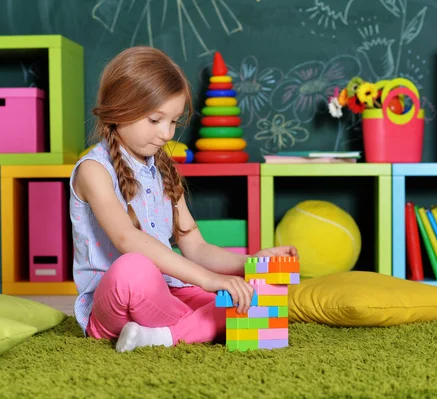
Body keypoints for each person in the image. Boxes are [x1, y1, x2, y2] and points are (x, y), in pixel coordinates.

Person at [69, 46, 297, 353]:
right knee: (133, 267)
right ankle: (189, 329)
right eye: (155, 120)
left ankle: (159, 336)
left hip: (170, 294)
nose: (166, 133)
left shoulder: (165, 170)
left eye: (174, 121)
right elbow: (127, 239)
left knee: (248, 298)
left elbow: (196, 247)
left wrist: (252, 263)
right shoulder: (94, 170)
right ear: (119, 109)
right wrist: (207, 280)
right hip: (115, 305)